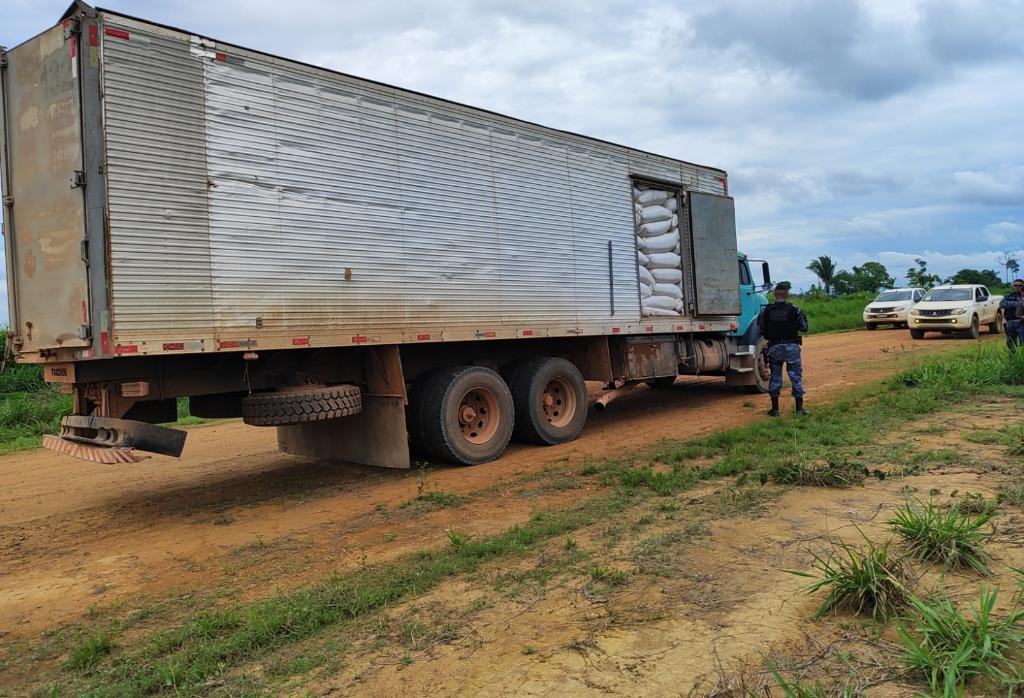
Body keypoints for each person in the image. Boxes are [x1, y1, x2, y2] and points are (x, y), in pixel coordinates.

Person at [757, 281, 809, 416]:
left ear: (775, 294)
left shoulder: (766, 311)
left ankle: (775, 410)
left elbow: (760, 328)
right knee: (795, 377)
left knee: (775, 377)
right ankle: (799, 409)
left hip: (775, 348)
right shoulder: (795, 310)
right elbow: (804, 328)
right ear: (787, 295)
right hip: (792, 347)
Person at [1000, 279, 1024, 349]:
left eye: (1020, 285)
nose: (1017, 287)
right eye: (1015, 285)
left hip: (1021, 322)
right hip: (1010, 322)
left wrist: (1010, 304)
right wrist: (1017, 304)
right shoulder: (1009, 295)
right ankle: (1013, 359)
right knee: (1011, 345)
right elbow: (1002, 304)